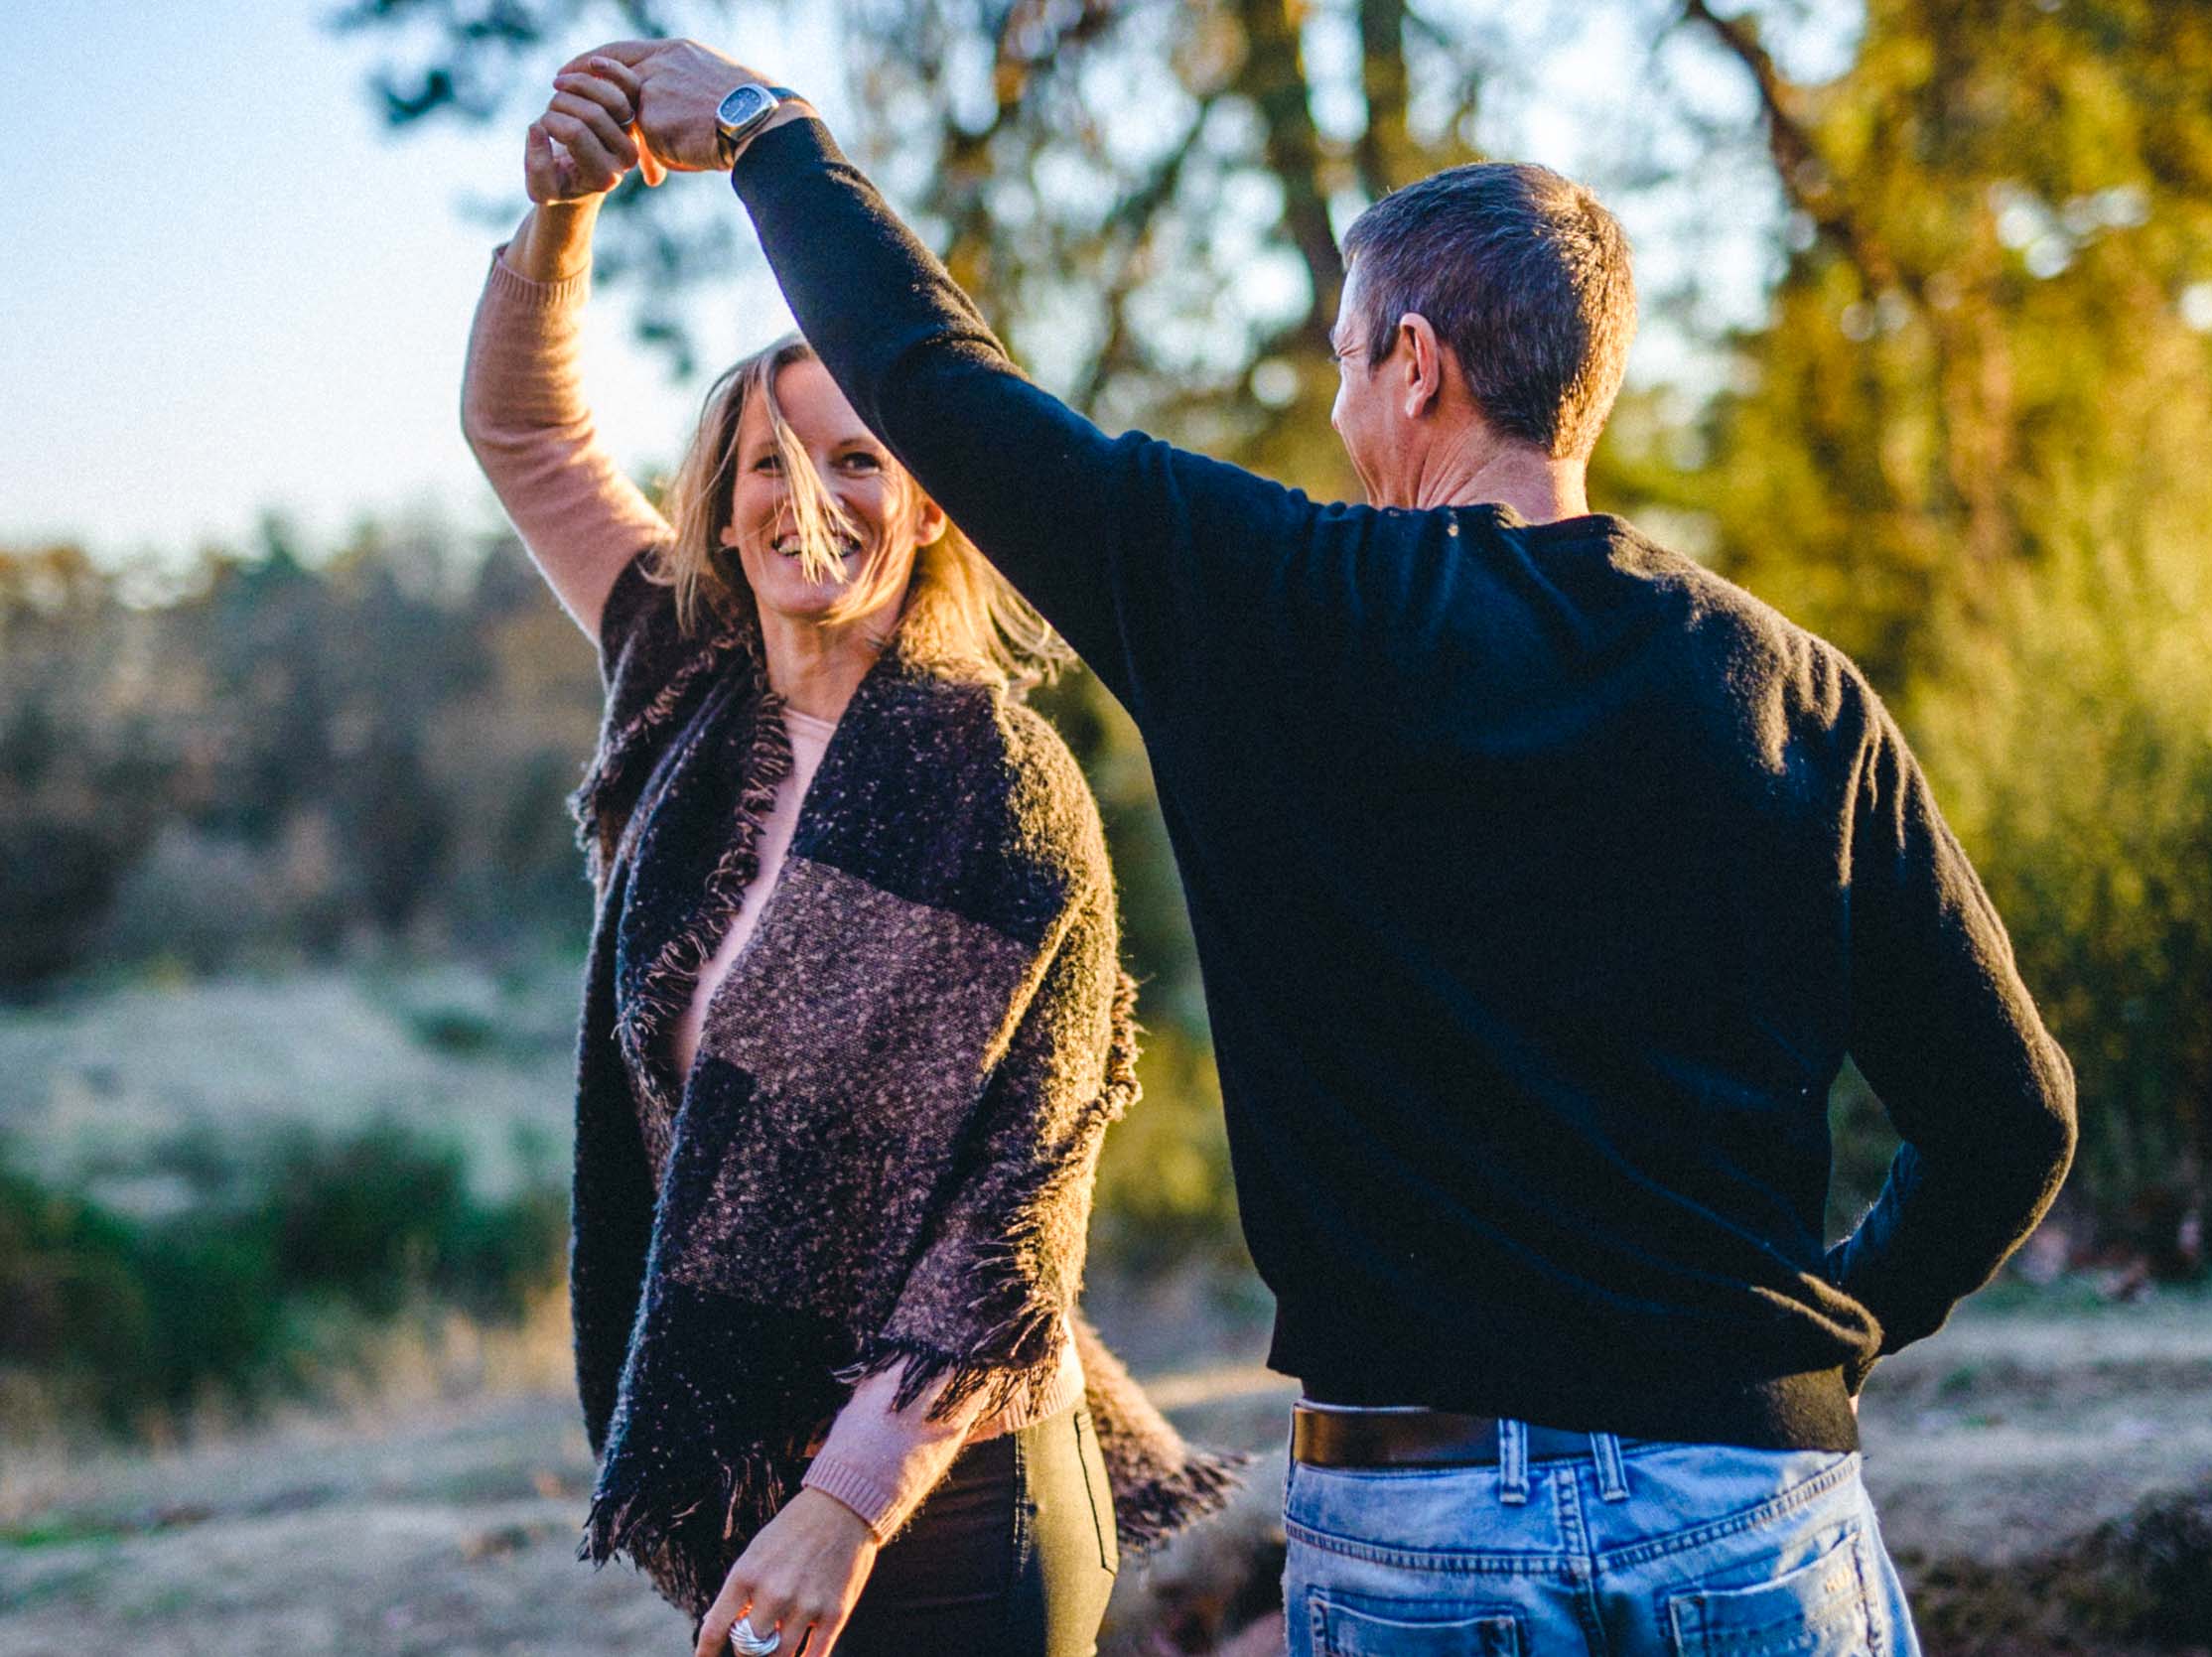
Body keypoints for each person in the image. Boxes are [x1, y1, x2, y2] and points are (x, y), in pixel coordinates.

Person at [586, 40, 2079, 1656]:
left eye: (1351, 362)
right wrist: (1813, 1341)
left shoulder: (1277, 609)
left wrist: (767, 135)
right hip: (1753, 1506)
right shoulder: (1798, 696)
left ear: (1419, 364)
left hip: (1419, 1515)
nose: (1344, 401)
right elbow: (2012, 1120)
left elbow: (935, 384)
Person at [460, 60, 1234, 1657]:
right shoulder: (680, 682)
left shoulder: (998, 784)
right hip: (749, 1451)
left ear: (935, 508)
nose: (809, 492)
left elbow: (1019, 1206)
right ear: (721, 515)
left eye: (861, 455)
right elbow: (522, 428)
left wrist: (847, 1499)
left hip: (945, 1484)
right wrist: (559, 217)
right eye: (768, 462)